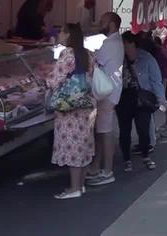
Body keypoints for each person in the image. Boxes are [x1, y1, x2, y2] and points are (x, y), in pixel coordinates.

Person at [48, 23, 96, 199]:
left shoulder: (67, 54)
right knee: (83, 145)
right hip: (87, 105)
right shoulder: (89, 54)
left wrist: (46, 82)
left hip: (69, 108)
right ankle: (80, 185)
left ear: (68, 35)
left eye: (61, 31)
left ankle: (74, 188)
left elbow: (54, 80)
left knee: (72, 147)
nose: (59, 34)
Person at [86, 12, 123, 187]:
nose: (100, 24)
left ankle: (107, 171)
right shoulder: (114, 41)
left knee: (105, 132)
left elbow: (94, 62)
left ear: (112, 24)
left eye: (103, 22)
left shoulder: (110, 43)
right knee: (101, 131)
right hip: (110, 91)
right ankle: (96, 167)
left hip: (107, 92)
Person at [117, 32, 162, 173]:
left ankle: (146, 155)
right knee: (125, 130)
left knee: (143, 128)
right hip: (123, 96)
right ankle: (127, 159)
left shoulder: (146, 58)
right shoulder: (117, 58)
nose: (125, 48)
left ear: (133, 44)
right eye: (123, 45)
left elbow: (156, 80)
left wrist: (161, 99)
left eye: (127, 44)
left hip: (141, 96)